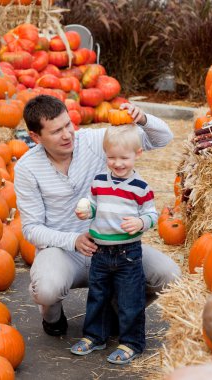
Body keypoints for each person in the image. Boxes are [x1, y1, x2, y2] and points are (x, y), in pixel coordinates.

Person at [14, 94, 181, 338]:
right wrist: (73, 240)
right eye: (56, 131)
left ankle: (117, 309)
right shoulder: (27, 168)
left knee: (169, 275)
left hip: (114, 245)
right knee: (47, 288)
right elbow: (31, 228)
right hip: (63, 251)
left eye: (67, 124)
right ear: (36, 137)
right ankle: (52, 317)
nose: (67, 134)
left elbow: (163, 139)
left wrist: (143, 118)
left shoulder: (93, 141)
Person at [70, 125, 158, 364]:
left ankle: (131, 342)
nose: (117, 163)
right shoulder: (99, 181)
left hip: (128, 253)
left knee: (130, 299)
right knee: (97, 295)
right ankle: (94, 336)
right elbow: (96, 205)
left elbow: (152, 215)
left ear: (137, 154)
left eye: (124, 158)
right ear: (105, 154)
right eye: (111, 157)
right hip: (101, 251)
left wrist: (141, 221)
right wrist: (87, 210)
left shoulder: (141, 187)